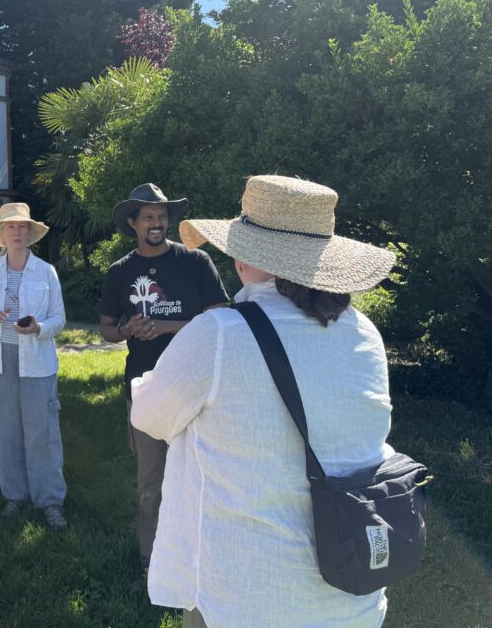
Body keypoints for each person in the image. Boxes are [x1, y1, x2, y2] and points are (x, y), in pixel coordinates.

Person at [130, 175, 398, 627]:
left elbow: (150, 415)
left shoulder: (218, 334)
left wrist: (150, 382)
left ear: (244, 256)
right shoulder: (365, 334)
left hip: (242, 595)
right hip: (352, 591)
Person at [98, 183, 228, 577]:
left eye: (162, 216)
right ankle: (150, 564)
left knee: (201, 480)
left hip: (199, 390)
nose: (157, 223)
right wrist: (127, 330)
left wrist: (164, 325)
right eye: (149, 217)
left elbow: (220, 318)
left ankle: (197, 560)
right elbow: (106, 328)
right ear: (133, 223)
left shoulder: (196, 262)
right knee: (150, 486)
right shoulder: (119, 272)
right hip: (147, 391)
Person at [0, 202, 68, 530]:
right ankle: (15, 495)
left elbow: (59, 319)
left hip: (37, 360)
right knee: (7, 429)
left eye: (22, 227)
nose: (17, 232)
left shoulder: (46, 271)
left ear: (29, 233)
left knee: (42, 430)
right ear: (1, 234)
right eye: (10, 227)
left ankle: (50, 501)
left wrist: (39, 328)